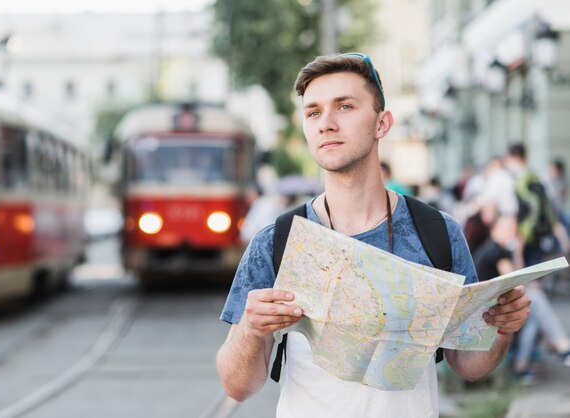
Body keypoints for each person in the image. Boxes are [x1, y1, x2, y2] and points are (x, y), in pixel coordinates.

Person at [216, 53, 531, 418]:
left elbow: (468, 365)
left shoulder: (438, 232)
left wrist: (501, 327)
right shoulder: (278, 241)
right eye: (313, 112)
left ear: (382, 123)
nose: (326, 123)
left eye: (344, 106)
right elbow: (238, 385)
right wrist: (251, 330)